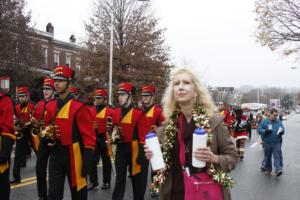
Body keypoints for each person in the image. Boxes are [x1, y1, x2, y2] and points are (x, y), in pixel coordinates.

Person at [144, 67, 238, 200]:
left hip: (205, 193)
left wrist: (213, 158)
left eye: (186, 83)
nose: (180, 87)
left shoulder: (214, 122)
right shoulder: (167, 127)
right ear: (173, 92)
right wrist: (156, 155)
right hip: (175, 193)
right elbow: (164, 168)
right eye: (176, 84)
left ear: (196, 91)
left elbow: (233, 158)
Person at [43, 65, 96, 200]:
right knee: (53, 195)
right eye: (55, 80)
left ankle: (155, 187)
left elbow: (89, 138)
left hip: (74, 155)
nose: (57, 84)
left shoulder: (79, 107)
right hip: (56, 154)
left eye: (61, 80)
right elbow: (46, 128)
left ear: (69, 82)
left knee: (78, 195)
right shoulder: (50, 106)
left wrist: (87, 162)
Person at [111, 82, 149, 200]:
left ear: (130, 95)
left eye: (123, 94)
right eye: (119, 95)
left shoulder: (139, 113)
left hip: (135, 150)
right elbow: (113, 130)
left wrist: (142, 155)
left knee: (137, 182)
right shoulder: (116, 112)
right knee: (119, 180)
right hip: (121, 150)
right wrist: (114, 137)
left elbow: (143, 137)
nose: (120, 97)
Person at [140, 85, 165, 198]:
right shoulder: (139, 111)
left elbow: (163, 129)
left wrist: (158, 130)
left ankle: (154, 187)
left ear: (153, 97)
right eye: (143, 96)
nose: (145, 98)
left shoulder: (159, 111)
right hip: (141, 143)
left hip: (154, 144)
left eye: (147, 96)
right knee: (141, 169)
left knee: (155, 168)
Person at [33, 77, 55, 200]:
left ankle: (53, 195)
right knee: (39, 168)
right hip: (43, 139)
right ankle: (42, 195)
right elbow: (36, 119)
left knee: (54, 171)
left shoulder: (57, 104)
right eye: (44, 89)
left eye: (48, 89)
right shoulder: (40, 104)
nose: (45, 91)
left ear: (53, 91)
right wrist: (34, 122)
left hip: (54, 141)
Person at [88, 88, 113, 191]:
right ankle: (93, 182)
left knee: (106, 161)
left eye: (100, 98)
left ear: (105, 99)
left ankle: (106, 182)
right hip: (94, 138)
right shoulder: (90, 110)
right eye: (96, 98)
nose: (97, 100)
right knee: (92, 161)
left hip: (105, 138)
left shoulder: (110, 111)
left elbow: (113, 125)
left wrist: (109, 130)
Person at [11, 86, 35, 184]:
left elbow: (34, 119)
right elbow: (15, 117)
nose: (21, 98)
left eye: (22, 96)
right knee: (17, 155)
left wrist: (26, 123)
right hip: (21, 132)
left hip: (31, 132)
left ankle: (42, 168)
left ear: (26, 97)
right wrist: (16, 122)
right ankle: (17, 178)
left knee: (38, 152)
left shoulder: (31, 106)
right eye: (19, 96)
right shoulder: (16, 107)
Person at [0, 78, 15, 200]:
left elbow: (8, 127)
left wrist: (4, 152)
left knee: (2, 182)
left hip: (0, 147)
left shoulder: (4, 100)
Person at [258, 108, 284, 176]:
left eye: (277, 115)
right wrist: (265, 131)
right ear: (270, 114)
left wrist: (282, 132)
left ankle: (278, 170)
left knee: (277, 156)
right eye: (274, 115)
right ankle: (268, 169)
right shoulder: (264, 121)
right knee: (267, 156)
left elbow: (282, 128)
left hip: (277, 142)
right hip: (267, 142)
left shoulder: (278, 121)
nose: (276, 116)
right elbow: (259, 129)